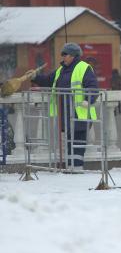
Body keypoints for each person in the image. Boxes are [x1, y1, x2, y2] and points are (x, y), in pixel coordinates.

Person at [29, 42, 98, 170]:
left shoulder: (84, 68)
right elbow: (48, 80)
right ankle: (71, 167)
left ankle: (77, 168)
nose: (63, 57)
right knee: (70, 141)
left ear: (73, 55)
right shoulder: (61, 70)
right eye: (62, 54)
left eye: (65, 54)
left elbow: (93, 86)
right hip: (65, 113)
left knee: (78, 140)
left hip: (81, 112)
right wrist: (34, 77)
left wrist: (88, 100)